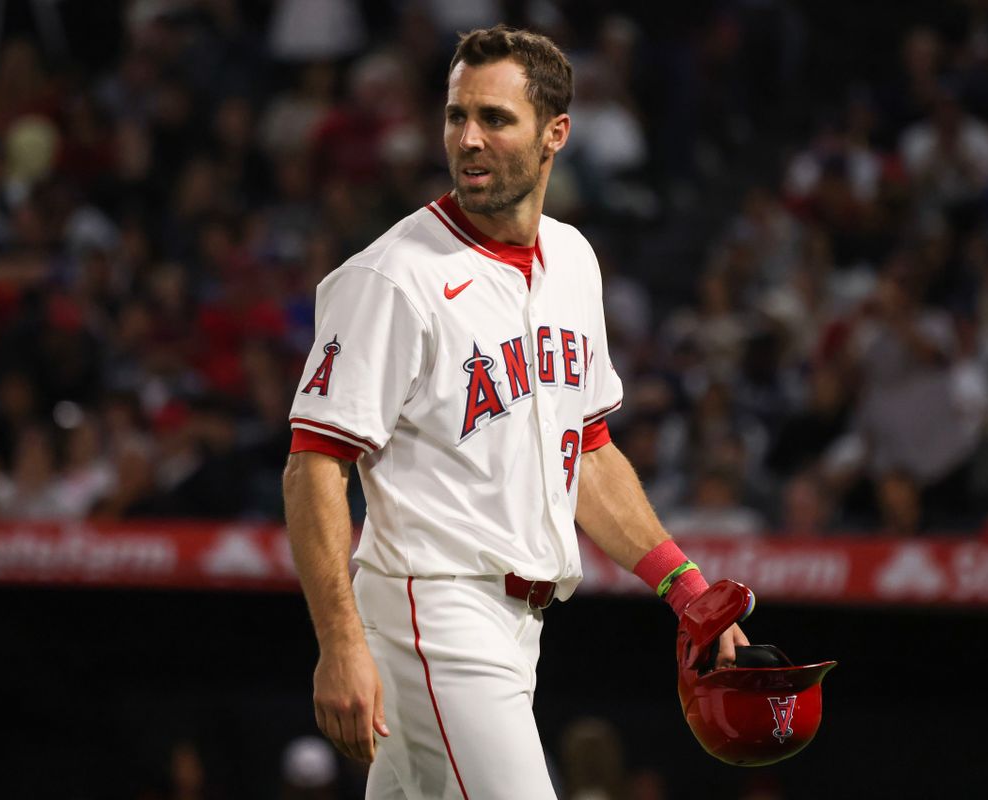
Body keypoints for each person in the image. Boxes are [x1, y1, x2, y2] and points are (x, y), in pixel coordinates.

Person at [282, 25, 748, 799]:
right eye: (456, 115)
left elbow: (588, 453)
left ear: (554, 134)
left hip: (519, 626)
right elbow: (313, 464)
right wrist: (338, 643)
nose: (468, 138)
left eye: (495, 119)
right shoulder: (393, 278)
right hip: (431, 607)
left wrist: (686, 589)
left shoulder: (572, 259)